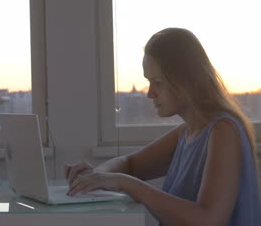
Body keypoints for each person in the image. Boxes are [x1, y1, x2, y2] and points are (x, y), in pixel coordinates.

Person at [65, 28, 261, 225]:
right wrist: (97, 176)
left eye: (157, 82)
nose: (150, 93)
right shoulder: (187, 132)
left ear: (185, 80)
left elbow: (208, 219)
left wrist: (127, 184)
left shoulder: (223, 131)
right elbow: (129, 164)